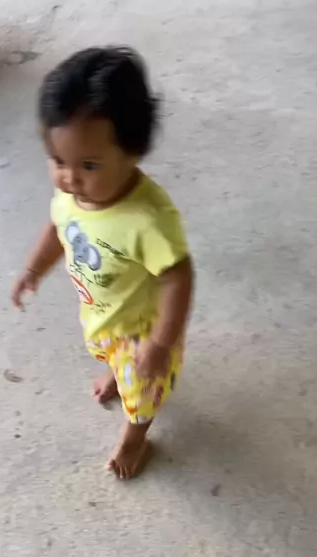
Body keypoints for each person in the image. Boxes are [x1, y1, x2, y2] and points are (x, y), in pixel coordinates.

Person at [12, 47, 194, 479]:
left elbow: (178, 277)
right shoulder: (73, 196)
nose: (70, 178)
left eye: (89, 165)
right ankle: (115, 372)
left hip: (142, 331)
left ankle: (135, 438)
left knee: (143, 392)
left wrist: (160, 344)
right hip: (102, 313)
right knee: (108, 355)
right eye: (58, 161)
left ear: (134, 152)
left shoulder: (147, 219)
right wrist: (34, 269)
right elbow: (59, 228)